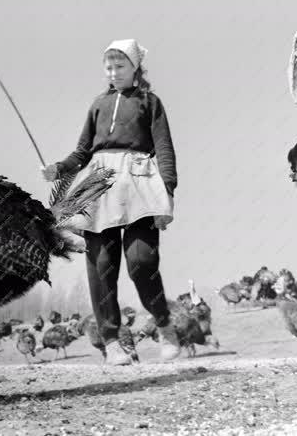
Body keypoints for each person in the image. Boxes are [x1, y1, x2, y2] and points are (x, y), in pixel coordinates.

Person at [42, 39, 180, 365]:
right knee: (101, 265)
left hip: (140, 180)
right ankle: (112, 340)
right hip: (99, 181)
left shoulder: (150, 102)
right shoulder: (98, 104)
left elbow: (164, 148)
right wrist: (58, 168)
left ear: (135, 68)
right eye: (108, 66)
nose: (113, 72)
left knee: (141, 260)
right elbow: (81, 152)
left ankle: (164, 323)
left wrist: (168, 190)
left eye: (120, 66)